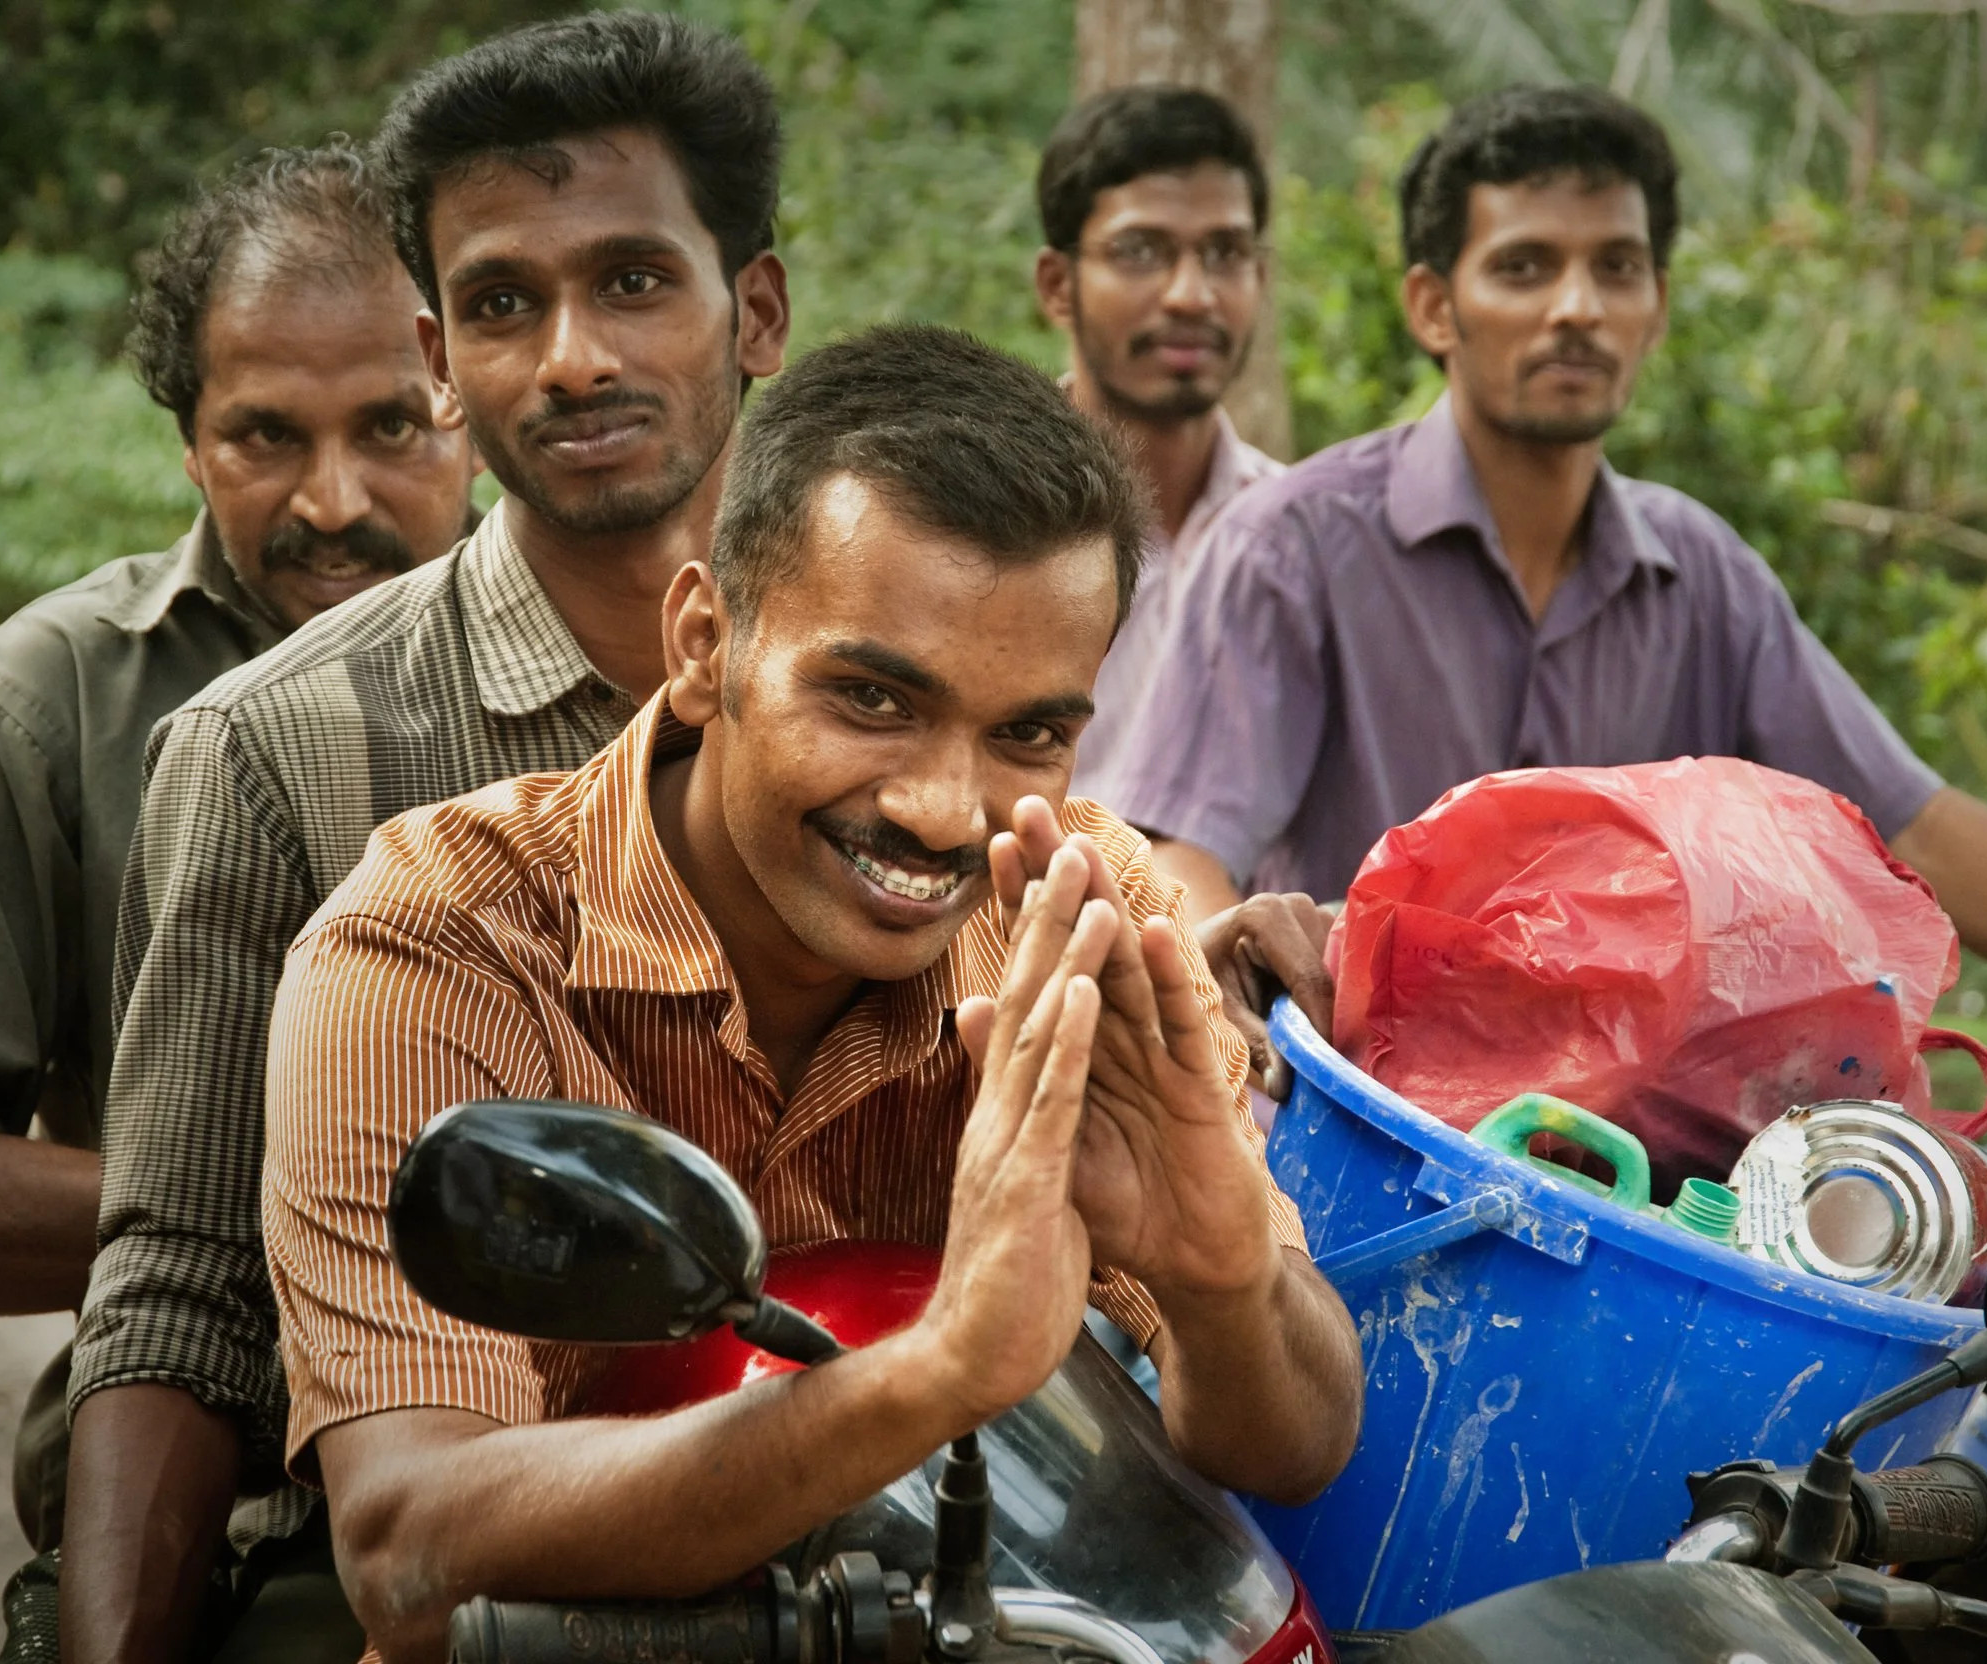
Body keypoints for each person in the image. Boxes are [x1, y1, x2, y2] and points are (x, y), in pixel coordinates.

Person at [260, 324, 1363, 1663]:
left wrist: (1219, 1271)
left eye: (1029, 733)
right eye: (873, 699)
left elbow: (1294, 1447)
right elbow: (406, 1548)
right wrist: (934, 1374)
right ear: (703, 642)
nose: (947, 810)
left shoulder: (1074, 909)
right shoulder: (438, 943)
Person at [58, 15, 792, 1662]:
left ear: (756, 309)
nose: (573, 357)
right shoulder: (272, 748)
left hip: (861, 1526)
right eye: (503, 303)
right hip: (427, 1566)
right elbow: (177, 1295)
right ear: (440, 353)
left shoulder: (891, 695)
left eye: (632, 280)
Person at [1098, 85, 1987, 1068]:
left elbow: (1917, 827)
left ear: (1655, 307)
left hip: (1637, 1170)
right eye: (1524, 267)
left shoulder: (1698, 576)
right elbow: (1189, 846)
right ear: (1432, 307)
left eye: (1617, 267)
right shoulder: (1295, 544)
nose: (1576, 308)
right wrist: (1232, 979)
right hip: (1352, 1136)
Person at [0, 139, 473, 1654]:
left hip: (583, 1488)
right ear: (187, 441)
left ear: (467, 397)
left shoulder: (640, 674)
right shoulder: (54, 701)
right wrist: (284, 1215)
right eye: (265, 435)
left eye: (393, 426)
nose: (334, 498)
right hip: (202, 1508)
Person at [1034, 85, 1284, 793]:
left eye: (1225, 252)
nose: (1190, 295)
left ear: (1259, 279)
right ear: (1058, 284)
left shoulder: (1301, 538)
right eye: (1141, 251)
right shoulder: (981, 529)